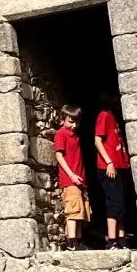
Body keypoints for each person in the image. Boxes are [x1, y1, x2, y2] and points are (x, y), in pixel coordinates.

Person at [94, 103, 132, 250]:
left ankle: (121, 239)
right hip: (109, 167)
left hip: (120, 166)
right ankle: (112, 240)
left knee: (121, 203)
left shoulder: (114, 118)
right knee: (114, 202)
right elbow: (97, 140)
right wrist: (109, 162)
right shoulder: (104, 115)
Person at [53, 105, 89, 249]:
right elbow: (59, 155)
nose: (74, 125)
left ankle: (78, 240)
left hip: (80, 180)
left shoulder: (76, 137)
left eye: (77, 122)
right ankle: (72, 242)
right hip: (70, 180)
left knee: (81, 211)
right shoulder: (61, 134)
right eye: (71, 122)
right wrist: (72, 175)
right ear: (63, 119)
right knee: (73, 211)